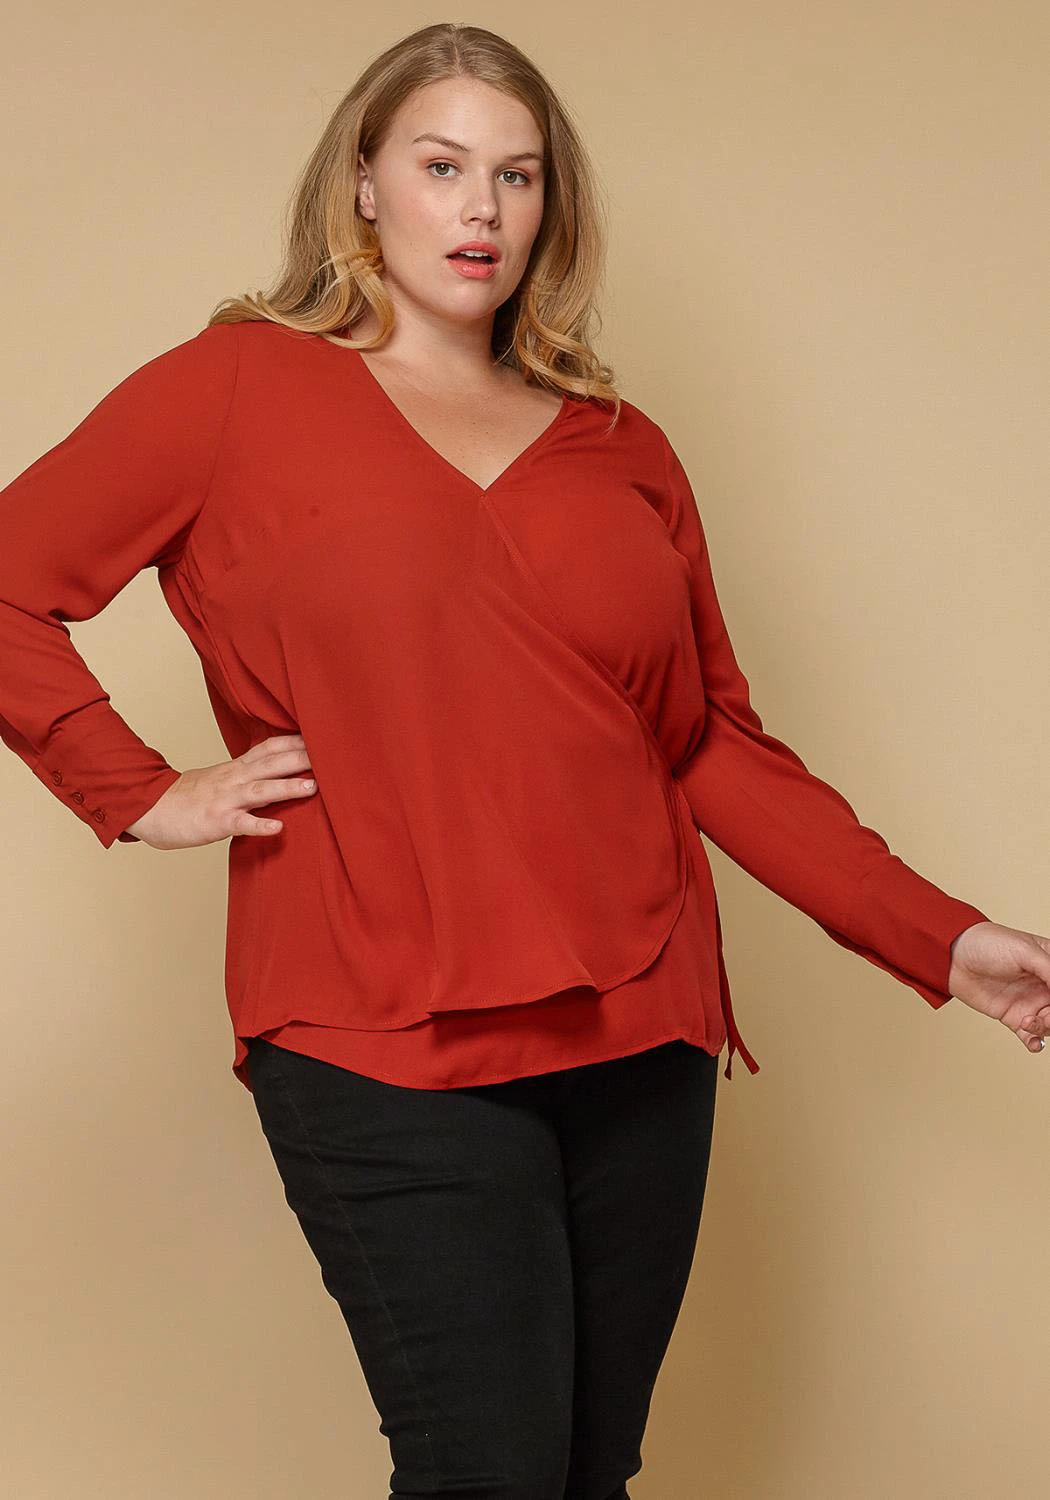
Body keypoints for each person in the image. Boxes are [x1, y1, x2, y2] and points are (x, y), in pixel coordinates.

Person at [2, 21, 1048, 1500]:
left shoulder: (622, 444)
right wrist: (140, 791)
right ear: (362, 183)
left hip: (641, 1023)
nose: (481, 209)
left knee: (583, 1473)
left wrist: (943, 941)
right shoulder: (234, 387)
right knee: (486, 1471)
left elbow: (706, 746)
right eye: (441, 167)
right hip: (373, 1020)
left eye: (518, 174)